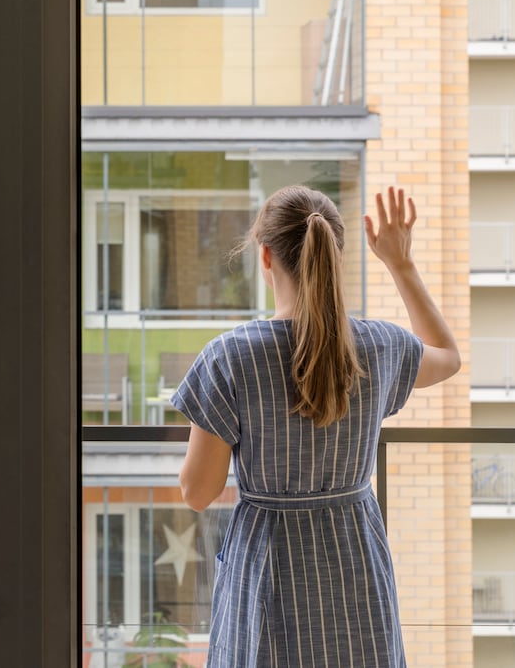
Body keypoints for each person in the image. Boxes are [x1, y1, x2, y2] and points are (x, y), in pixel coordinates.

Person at [171, 186, 461, 667]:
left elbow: (197, 492)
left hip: (267, 566)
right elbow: (447, 357)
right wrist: (400, 263)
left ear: (265, 256)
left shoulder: (230, 357)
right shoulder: (378, 346)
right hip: (354, 565)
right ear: (336, 256)